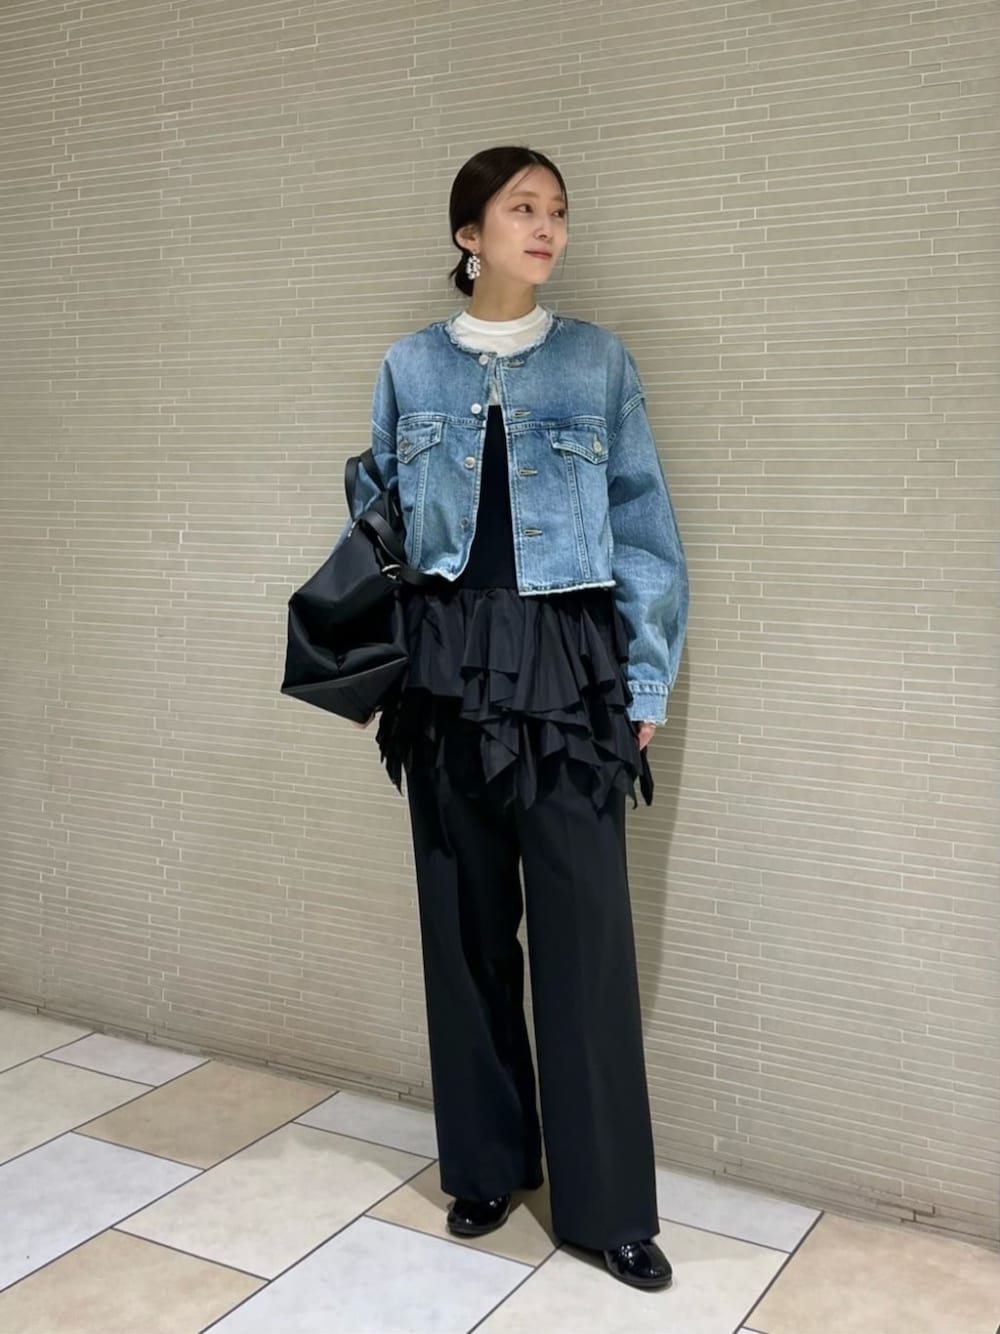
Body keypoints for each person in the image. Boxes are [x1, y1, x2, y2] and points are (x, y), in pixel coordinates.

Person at [336, 146, 688, 1290]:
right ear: (468, 233)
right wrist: (381, 658)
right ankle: (486, 1163)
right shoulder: (407, 365)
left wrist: (642, 682)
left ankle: (607, 1205)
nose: (547, 228)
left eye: (558, 212)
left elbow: (643, 531)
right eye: (522, 208)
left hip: (569, 663)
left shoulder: (596, 363)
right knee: (463, 923)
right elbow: (376, 514)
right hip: (444, 663)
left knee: (586, 937)